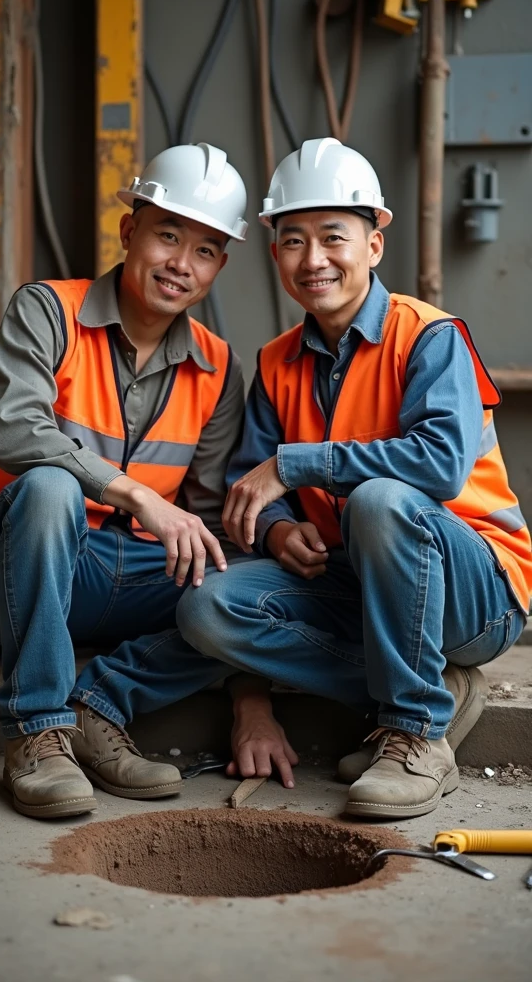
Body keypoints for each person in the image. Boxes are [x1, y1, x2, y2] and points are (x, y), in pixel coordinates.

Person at [176, 137, 532, 819]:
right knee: (208, 606)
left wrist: (298, 464)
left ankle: (417, 733)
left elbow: (438, 464)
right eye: (293, 241)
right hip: (357, 583)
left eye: (333, 237)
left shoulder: (431, 337)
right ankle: (431, 689)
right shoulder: (278, 363)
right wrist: (279, 533)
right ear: (275, 253)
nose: (314, 261)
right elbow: (251, 498)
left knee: (381, 500)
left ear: (374, 242)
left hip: (476, 593)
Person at [0, 142, 249, 820]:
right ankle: (35, 731)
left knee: (250, 581)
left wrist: (250, 697)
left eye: (204, 250)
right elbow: (16, 431)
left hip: (125, 576)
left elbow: (207, 523)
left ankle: (98, 705)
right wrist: (135, 492)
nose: (180, 263)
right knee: (52, 487)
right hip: (4, 570)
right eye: (168, 234)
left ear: (219, 267)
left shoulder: (220, 367)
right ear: (128, 230)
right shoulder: (47, 310)